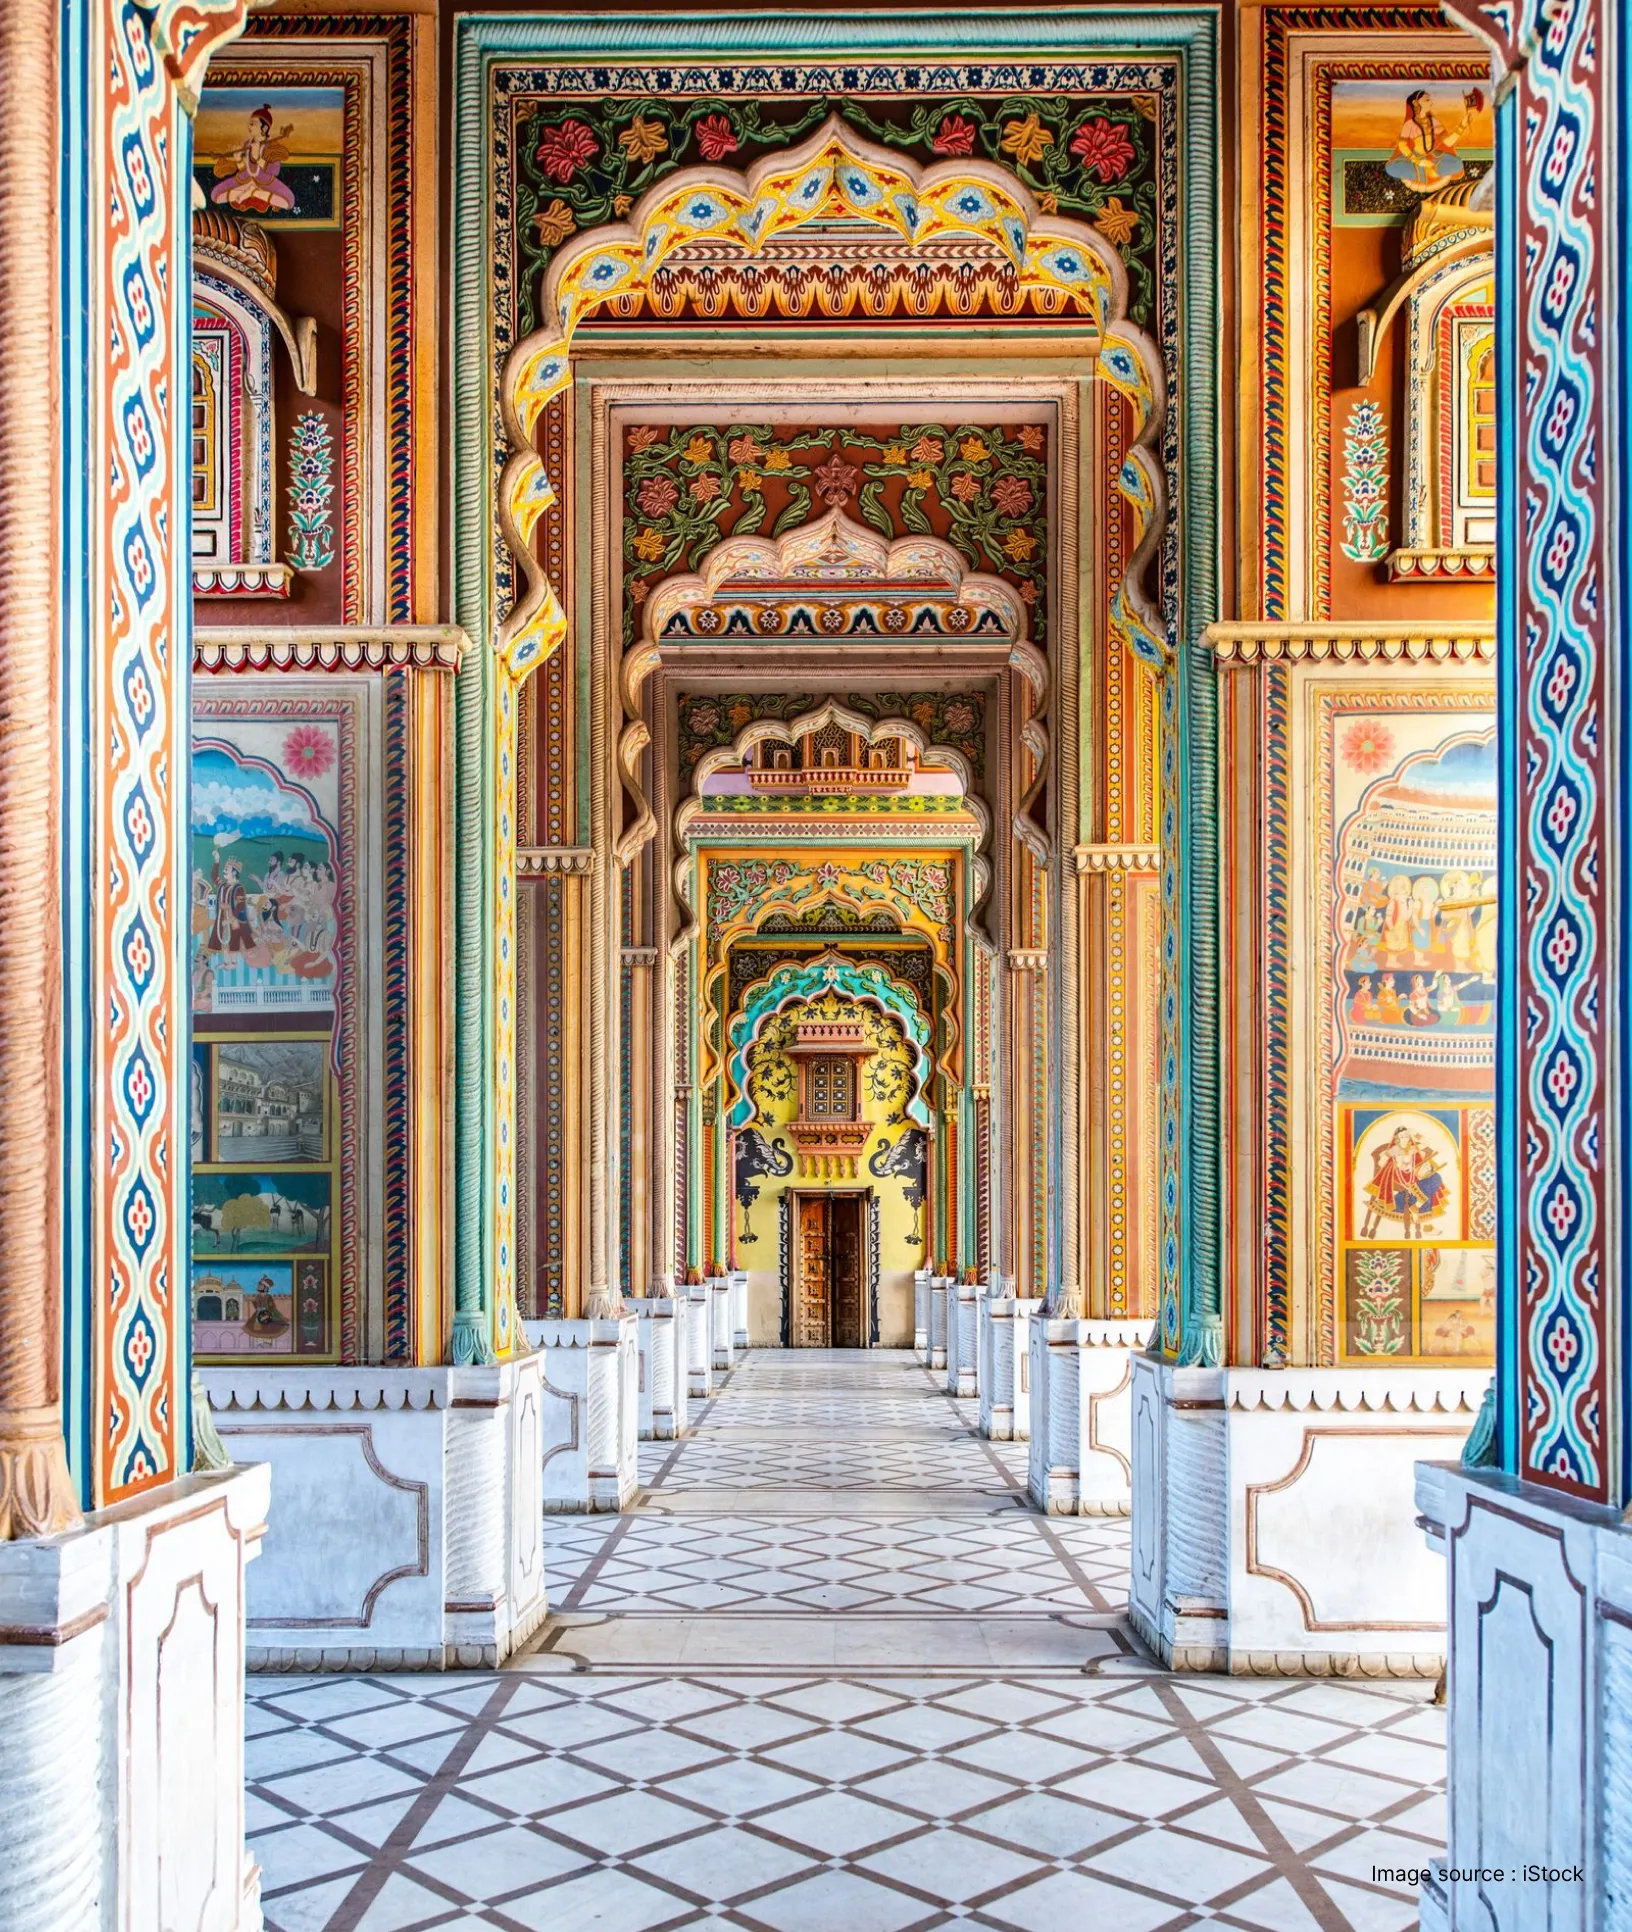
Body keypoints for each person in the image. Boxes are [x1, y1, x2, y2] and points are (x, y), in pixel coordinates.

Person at [1384, 87, 1484, 192]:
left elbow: (1448, 142)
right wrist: (1418, 161)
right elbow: (1403, 145)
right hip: (1416, 157)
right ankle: (1424, 171)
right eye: (1427, 100)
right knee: (1390, 168)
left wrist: (1462, 127)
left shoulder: (1434, 122)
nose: (1431, 103)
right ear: (1415, 102)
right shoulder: (1410, 124)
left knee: (1457, 164)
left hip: (1434, 156)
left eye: (1430, 100)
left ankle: (1432, 172)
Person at [210, 105, 298, 215]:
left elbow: (274, 171)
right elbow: (244, 170)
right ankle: (252, 191)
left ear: (264, 128)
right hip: (246, 180)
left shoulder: (272, 146)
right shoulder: (247, 144)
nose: (249, 126)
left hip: (265, 182)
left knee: (289, 201)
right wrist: (238, 160)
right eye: (249, 124)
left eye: (253, 124)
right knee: (215, 195)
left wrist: (258, 158)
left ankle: (255, 193)